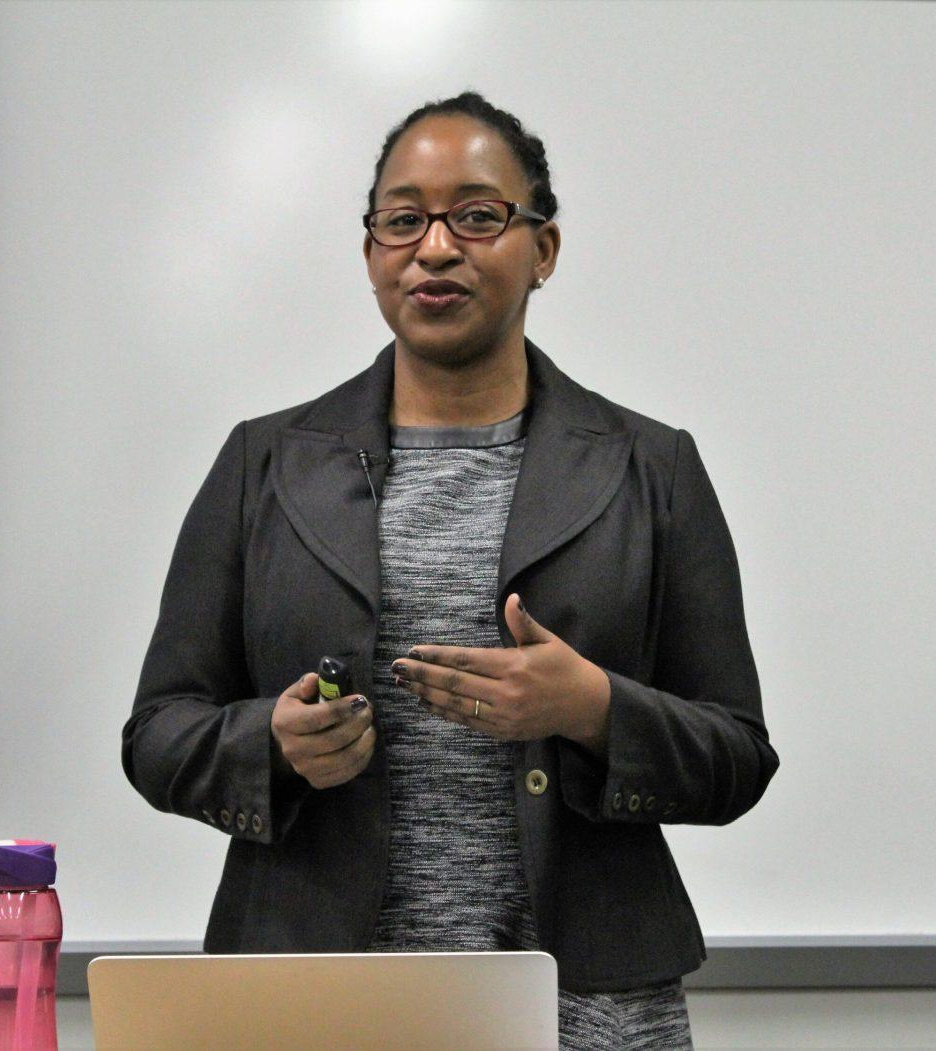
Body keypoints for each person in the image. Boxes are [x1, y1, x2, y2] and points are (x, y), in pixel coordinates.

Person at [122, 90, 780, 1050]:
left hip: (587, 1006)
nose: (435, 247)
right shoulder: (264, 464)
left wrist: (590, 705)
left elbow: (738, 754)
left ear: (542, 250)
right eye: (403, 219)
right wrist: (273, 740)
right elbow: (158, 732)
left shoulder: (650, 467)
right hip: (316, 997)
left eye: (477, 214)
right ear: (371, 254)